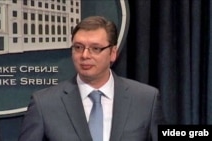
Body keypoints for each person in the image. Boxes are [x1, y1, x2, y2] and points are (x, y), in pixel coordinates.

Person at [18, 16, 165, 141]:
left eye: (95, 48)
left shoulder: (146, 99)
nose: (85, 55)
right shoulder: (44, 104)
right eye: (78, 47)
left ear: (113, 53)